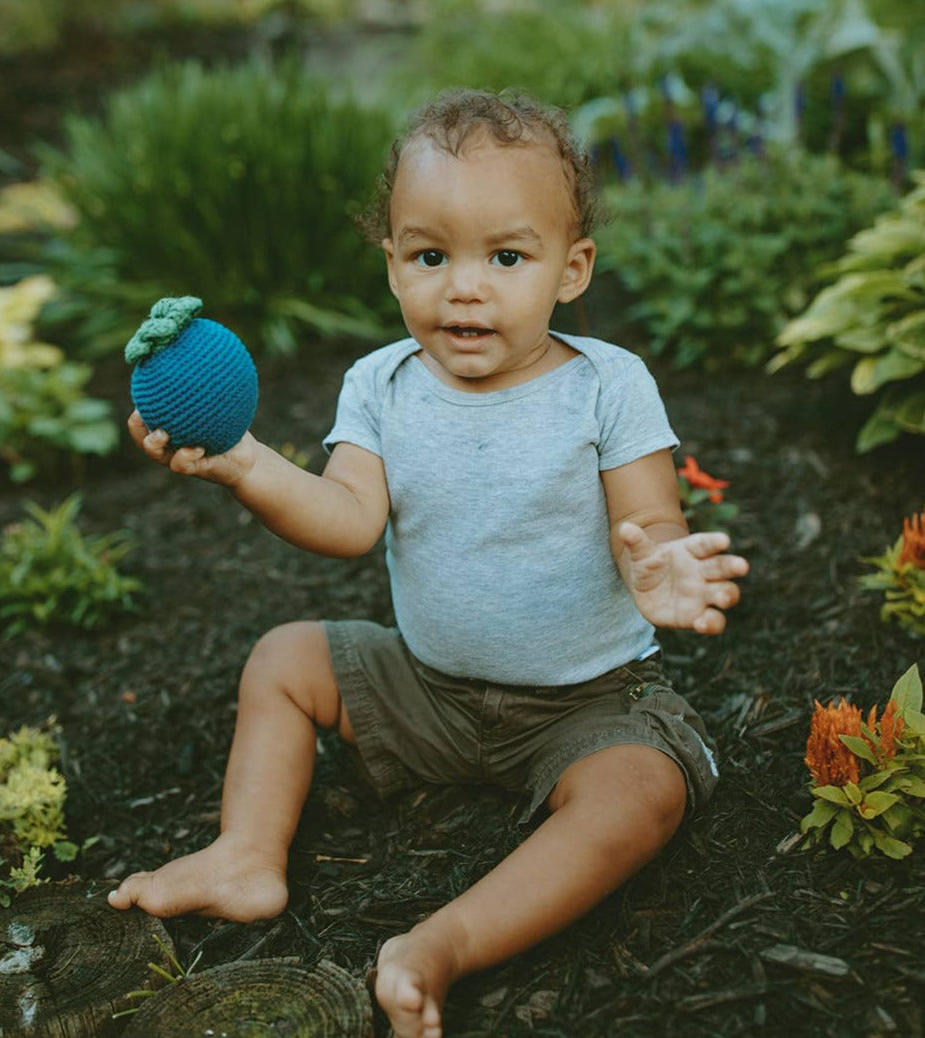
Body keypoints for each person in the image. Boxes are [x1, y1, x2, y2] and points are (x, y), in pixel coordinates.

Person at [108, 88, 750, 1038]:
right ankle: (245, 853)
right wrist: (245, 463)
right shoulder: (380, 385)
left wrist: (658, 565)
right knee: (284, 659)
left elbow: (649, 515)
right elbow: (346, 519)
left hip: (584, 702)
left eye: (507, 257)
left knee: (644, 790)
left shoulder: (607, 385)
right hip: (426, 689)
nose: (464, 287)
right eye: (430, 256)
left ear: (571, 270)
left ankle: (443, 944)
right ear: (392, 264)